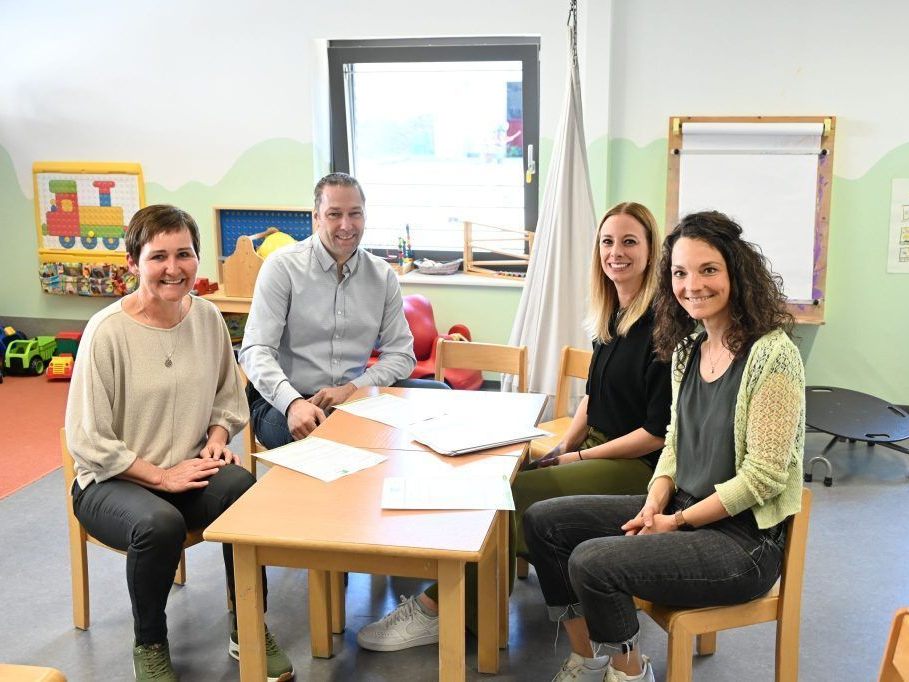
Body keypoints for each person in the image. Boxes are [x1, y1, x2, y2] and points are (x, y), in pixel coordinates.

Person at [356, 201, 671, 653]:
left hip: (638, 466)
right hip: (596, 447)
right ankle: (473, 607)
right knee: (501, 476)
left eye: (629, 242)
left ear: (650, 250)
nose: (615, 252)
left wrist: (578, 456)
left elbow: (656, 433)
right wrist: (561, 446)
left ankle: (442, 609)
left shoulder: (662, 328)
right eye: (607, 242)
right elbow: (593, 398)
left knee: (508, 495)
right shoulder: (611, 316)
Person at [523, 210, 805, 682]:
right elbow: (673, 442)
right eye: (679, 273)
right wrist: (655, 503)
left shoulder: (773, 355)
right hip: (682, 506)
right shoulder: (688, 349)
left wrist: (675, 522)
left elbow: (764, 477)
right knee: (544, 521)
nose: (692, 285)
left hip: (743, 543)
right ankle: (588, 660)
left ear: (737, 272)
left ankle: (630, 673)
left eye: (708, 270)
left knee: (593, 562)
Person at [65, 205, 294, 682]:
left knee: (243, 489)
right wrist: (160, 476)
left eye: (184, 254)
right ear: (133, 263)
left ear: (197, 258)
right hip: (110, 481)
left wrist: (216, 438)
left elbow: (227, 397)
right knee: (159, 524)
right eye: (158, 257)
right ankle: (149, 644)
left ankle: (249, 625)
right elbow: (87, 438)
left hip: (184, 470)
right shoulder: (106, 332)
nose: (174, 268)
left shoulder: (207, 318)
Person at [239, 172, 429, 450]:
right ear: (316, 217)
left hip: (355, 396)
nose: (346, 225)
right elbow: (254, 351)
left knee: (439, 397)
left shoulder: (382, 275)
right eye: (334, 214)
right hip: (283, 400)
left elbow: (402, 355)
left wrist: (353, 389)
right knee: (327, 433)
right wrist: (293, 403)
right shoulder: (282, 267)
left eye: (355, 214)